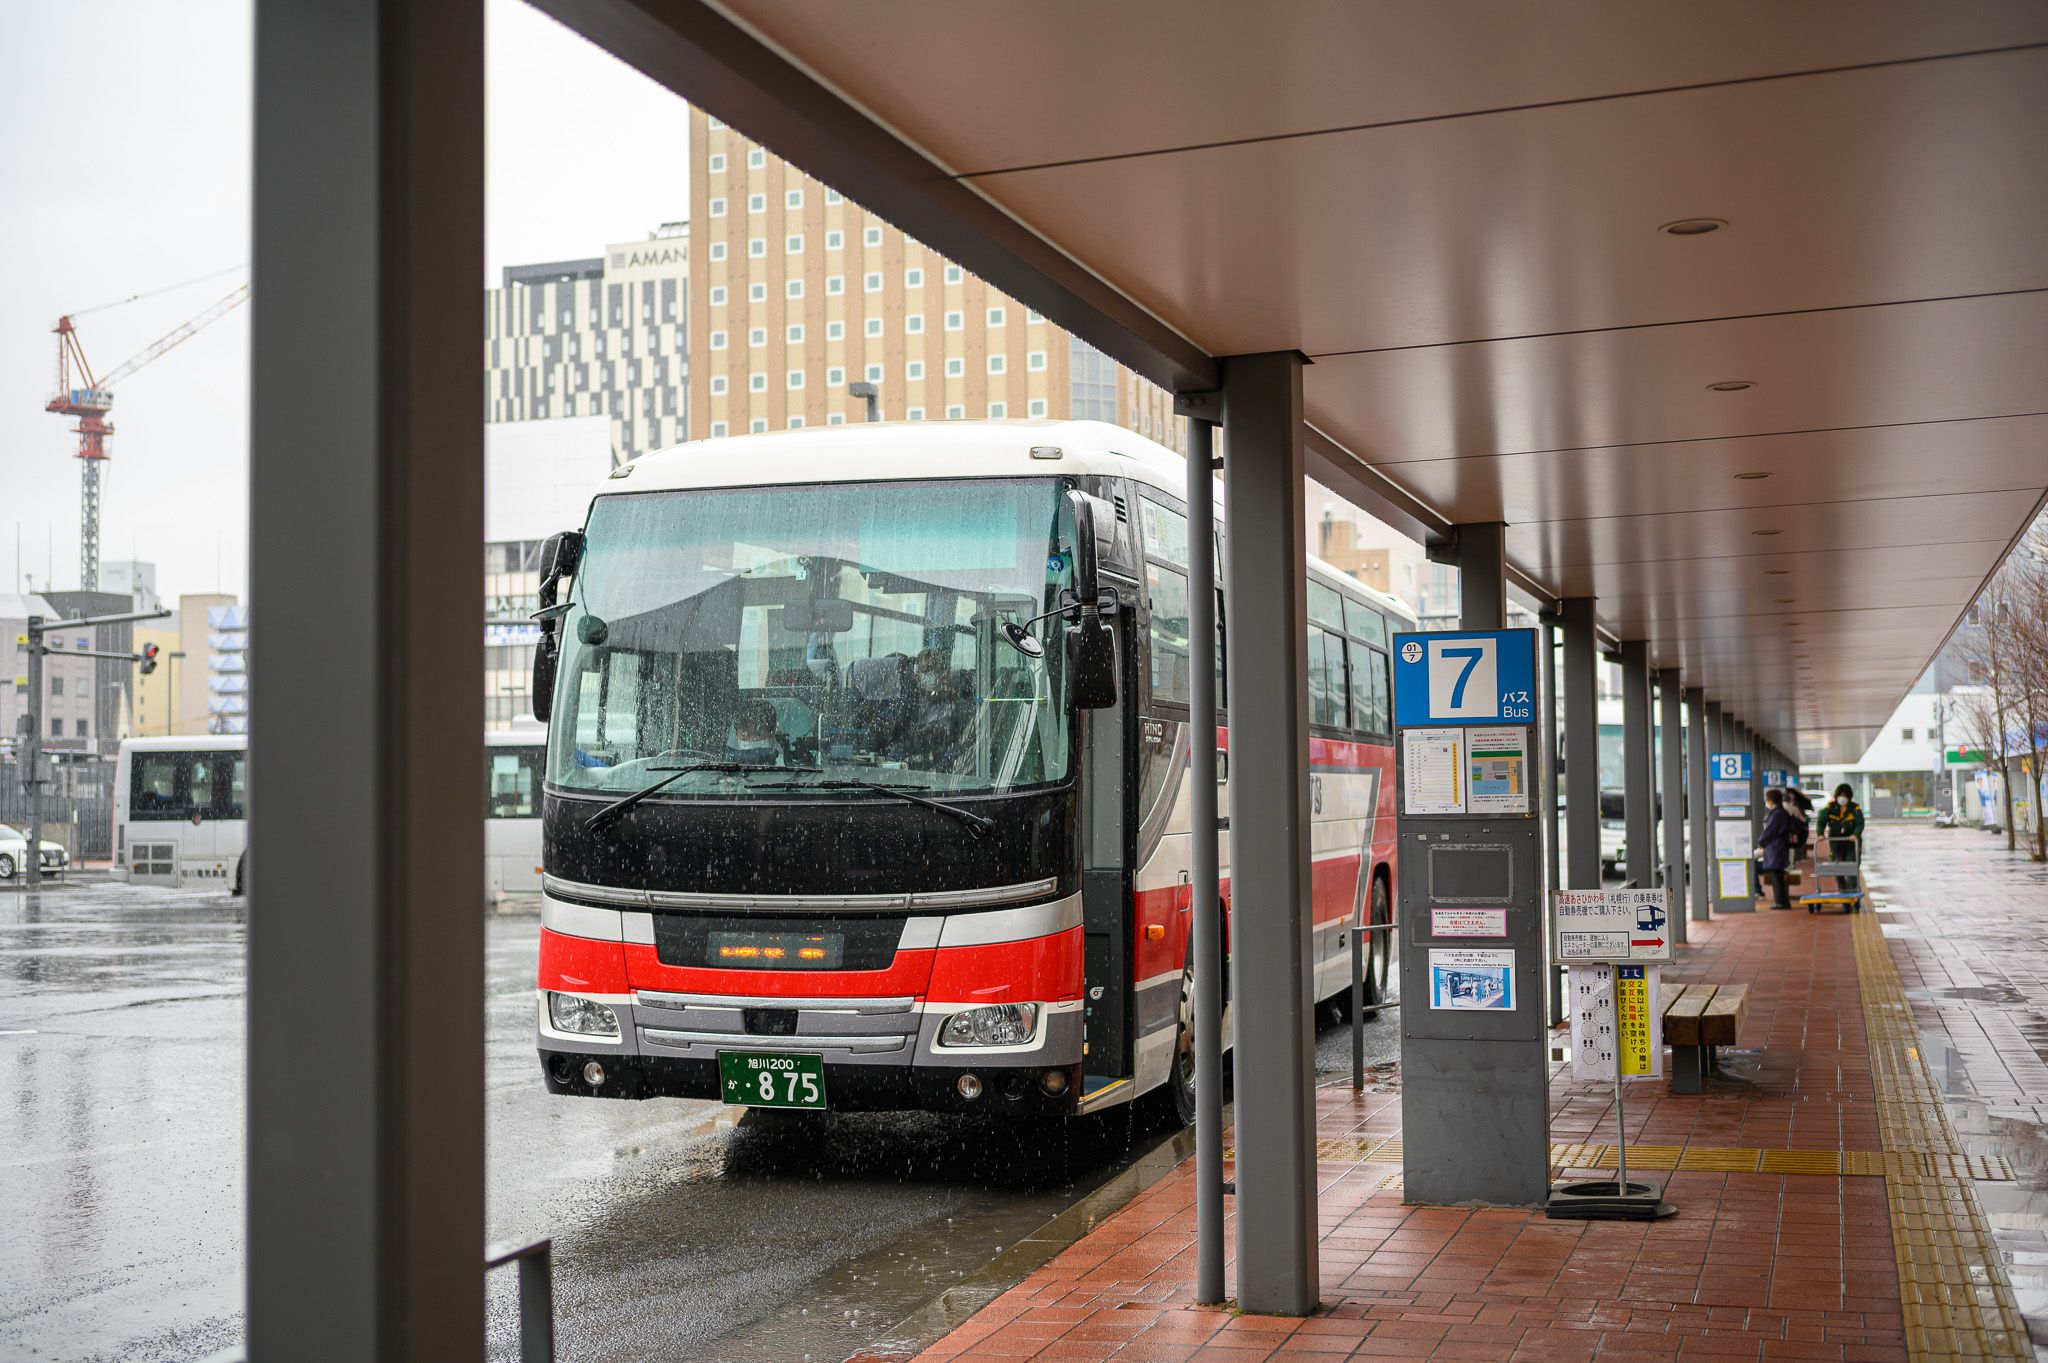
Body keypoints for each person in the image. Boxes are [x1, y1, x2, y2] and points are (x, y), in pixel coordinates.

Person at [1756, 788, 1795, 910]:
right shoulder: (1780, 812)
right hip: (1778, 847)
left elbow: (1769, 831)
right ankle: (1782, 901)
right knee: (1777, 874)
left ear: (1770, 801)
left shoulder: (1777, 813)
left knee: (1775, 875)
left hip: (1775, 847)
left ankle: (1781, 902)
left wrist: (1761, 842)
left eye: (1766, 800)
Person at [1815, 783, 1865, 853]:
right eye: (1840, 795)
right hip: (1835, 840)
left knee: (1851, 861)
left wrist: (1855, 834)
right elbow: (1821, 821)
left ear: (1849, 797)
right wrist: (1820, 834)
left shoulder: (1855, 808)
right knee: (1836, 861)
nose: (1842, 797)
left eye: (1844, 795)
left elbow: (1860, 823)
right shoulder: (1830, 807)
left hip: (1851, 841)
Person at [1785, 785, 1815, 865]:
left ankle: (1788, 864)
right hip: (1792, 831)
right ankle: (1791, 864)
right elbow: (1802, 819)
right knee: (1791, 849)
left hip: (1784, 832)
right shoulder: (1794, 807)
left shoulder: (1781, 806)